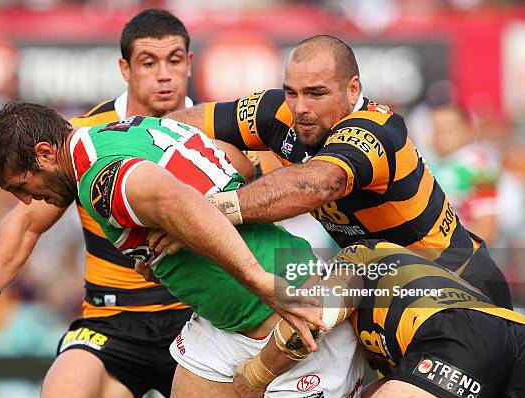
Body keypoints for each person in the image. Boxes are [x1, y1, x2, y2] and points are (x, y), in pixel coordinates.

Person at [0, 9, 253, 398]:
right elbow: (24, 223)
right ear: (125, 68)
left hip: (203, 316)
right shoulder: (79, 137)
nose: (164, 75)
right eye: (148, 62)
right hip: (113, 318)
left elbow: (262, 207)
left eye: (175, 61)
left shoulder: (218, 130)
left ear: (190, 64)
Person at [0, 103, 363, 398]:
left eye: (22, 187)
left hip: (289, 312)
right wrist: (170, 247)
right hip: (231, 321)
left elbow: (170, 197)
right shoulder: (131, 129)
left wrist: (255, 275)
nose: (27, 200)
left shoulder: (98, 179)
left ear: (44, 154)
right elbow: (235, 165)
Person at [167, 34, 512, 310]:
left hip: (457, 289)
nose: (300, 107)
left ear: (353, 89)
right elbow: (180, 125)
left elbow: (319, 183)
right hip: (378, 283)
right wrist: (131, 136)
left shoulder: (376, 129)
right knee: (287, 306)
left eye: (316, 93)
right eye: (291, 92)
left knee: (290, 310)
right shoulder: (279, 111)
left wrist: (201, 213)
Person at [233, 239, 525, 398]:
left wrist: (256, 375)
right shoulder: (408, 275)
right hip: (506, 335)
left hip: (457, 339)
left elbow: (315, 314)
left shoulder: (352, 259)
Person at [428, 104, 500, 245]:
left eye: (449, 128)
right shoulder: (425, 161)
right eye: (436, 128)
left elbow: (486, 226)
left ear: (467, 129)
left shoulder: (479, 167)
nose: (441, 134)